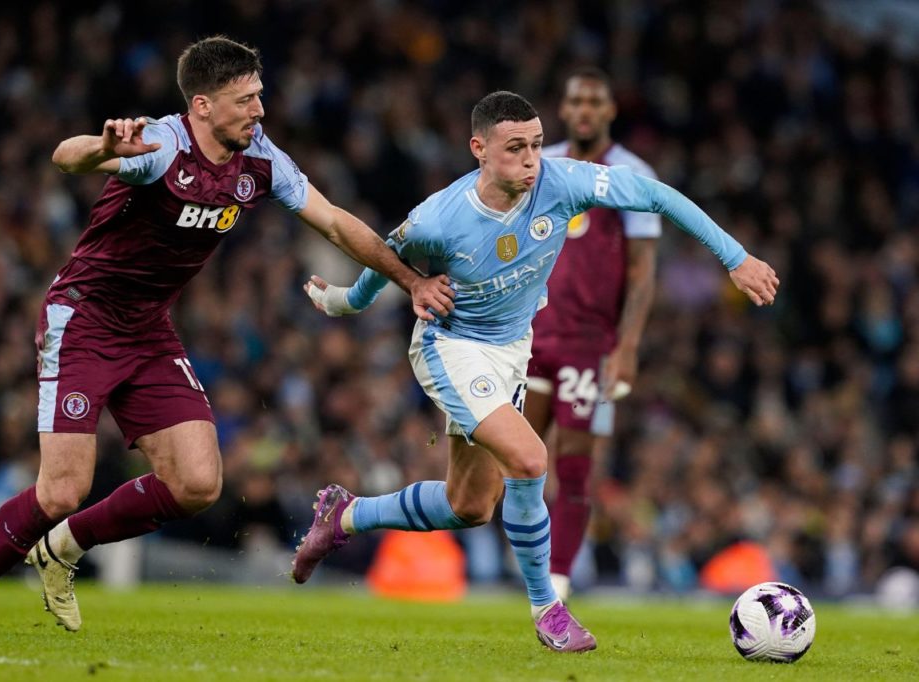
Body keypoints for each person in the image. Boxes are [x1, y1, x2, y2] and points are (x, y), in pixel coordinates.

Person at [0, 36, 455, 638]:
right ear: (202, 106)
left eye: (260, 96)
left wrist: (409, 282)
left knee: (198, 484)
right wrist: (101, 148)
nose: (260, 111)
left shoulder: (260, 157)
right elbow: (65, 156)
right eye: (245, 100)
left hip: (149, 330)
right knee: (62, 488)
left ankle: (63, 549)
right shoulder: (161, 144)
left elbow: (334, 221)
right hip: (84, 320)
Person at [295, 91, 778, 653]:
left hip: (511, 351)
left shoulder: (563, 182)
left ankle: (345, 514)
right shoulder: (440, 217)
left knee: (469, 505)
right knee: (530, 459)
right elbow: (384, 255)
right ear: (478, 149)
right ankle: (549, 609)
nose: (530, 160)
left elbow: (655, 195)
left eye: (537, 145)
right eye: (515, 148)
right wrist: (345, 304)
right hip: (451, 347)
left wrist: (736, 257)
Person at [525, 67, 660, 602]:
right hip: (531, 335)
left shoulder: (632, 173)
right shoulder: (541, 164)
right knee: (519, 463)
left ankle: (555, 583)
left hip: (589, 344)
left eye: (594, 102)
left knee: (576, 465)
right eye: (575, 100)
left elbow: (643, 271)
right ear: (563, 107)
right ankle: (531, 570)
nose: (584, 110)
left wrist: (626, 348)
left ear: (609, 111)